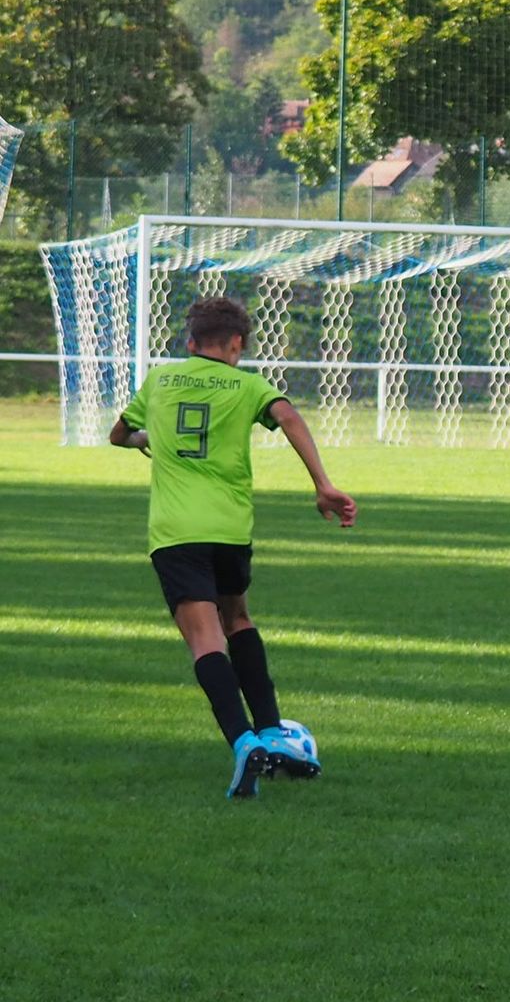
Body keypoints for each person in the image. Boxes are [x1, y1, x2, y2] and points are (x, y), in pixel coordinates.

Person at [109, 296, 356, 800]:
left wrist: (145, 439)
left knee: (205, 641)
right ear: (237, 344)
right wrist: (323, 484)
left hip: (177, 531)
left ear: (190, 342)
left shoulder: (160, 381)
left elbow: (118, 434)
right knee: (238, 620)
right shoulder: (248, 386)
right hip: (230, 528)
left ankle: (244, 743)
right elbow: (288, 417)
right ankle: (272, 733)